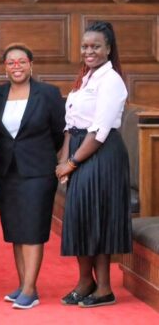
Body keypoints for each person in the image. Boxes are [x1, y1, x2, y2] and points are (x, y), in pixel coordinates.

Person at [55, 21, 131, 308]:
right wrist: (63, 158)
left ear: (108, 49)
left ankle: (104, 288)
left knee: (97, 218)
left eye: (96, 46)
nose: (89, 51)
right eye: (85, 46)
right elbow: (70, 124)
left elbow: (99, 131)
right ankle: (85, 282)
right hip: (79, 150)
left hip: (100, 154)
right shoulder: (86, 78)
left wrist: (71, 163)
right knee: (80, 218)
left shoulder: (111, 81)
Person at [0, 43, 65, 309]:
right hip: (6, 172)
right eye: (11, 62)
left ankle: (31, 289)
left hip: (38, 172)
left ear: (31, 65)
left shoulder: (47, 93)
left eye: (21, 61)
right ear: (5, 68)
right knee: (16, 230)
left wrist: (44, 156)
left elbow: (59, 132)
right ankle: (23, 284)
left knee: (33, 229)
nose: (16, 67)